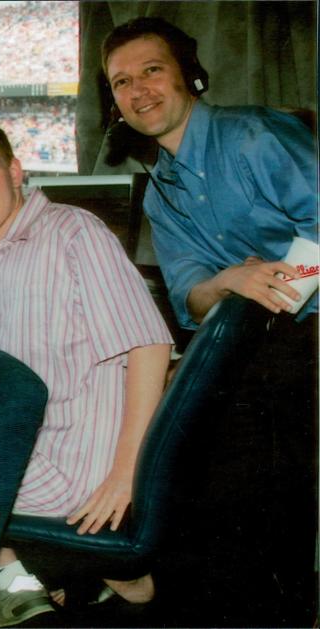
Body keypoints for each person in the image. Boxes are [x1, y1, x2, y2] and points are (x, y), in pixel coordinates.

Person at [102, 17, 318, 623]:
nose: (139, 90)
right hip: (257, 339)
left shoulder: (253, 136)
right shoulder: (160, 190)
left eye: (152, 71)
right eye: (122, 82)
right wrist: (227, 280)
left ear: (188, 75)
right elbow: (190, 297)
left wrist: (275, 286)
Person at [0, 118, 173, 626]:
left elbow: (149, 345)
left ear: (16, 172)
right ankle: (80, 575)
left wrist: (127, 474)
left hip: (75, 472)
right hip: (39, 444)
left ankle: (23, 589)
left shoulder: (73, 231)